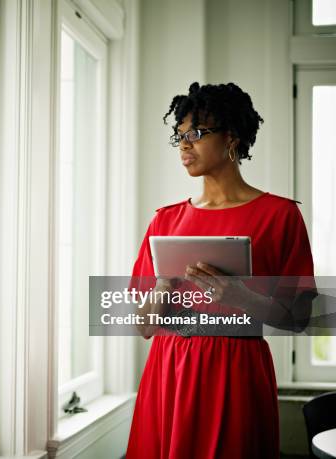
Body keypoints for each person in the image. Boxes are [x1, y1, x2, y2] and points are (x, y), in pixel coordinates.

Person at [124, 82, 315, 459]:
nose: (183, 145)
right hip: (169, 371)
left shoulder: (280, 216)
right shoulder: (166, 220)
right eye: (179, 136)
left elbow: (301, 316)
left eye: (195, 134)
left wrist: (243, 297)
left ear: (231, 137)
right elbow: (144, 327)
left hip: (238, 373)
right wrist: (163, 286)